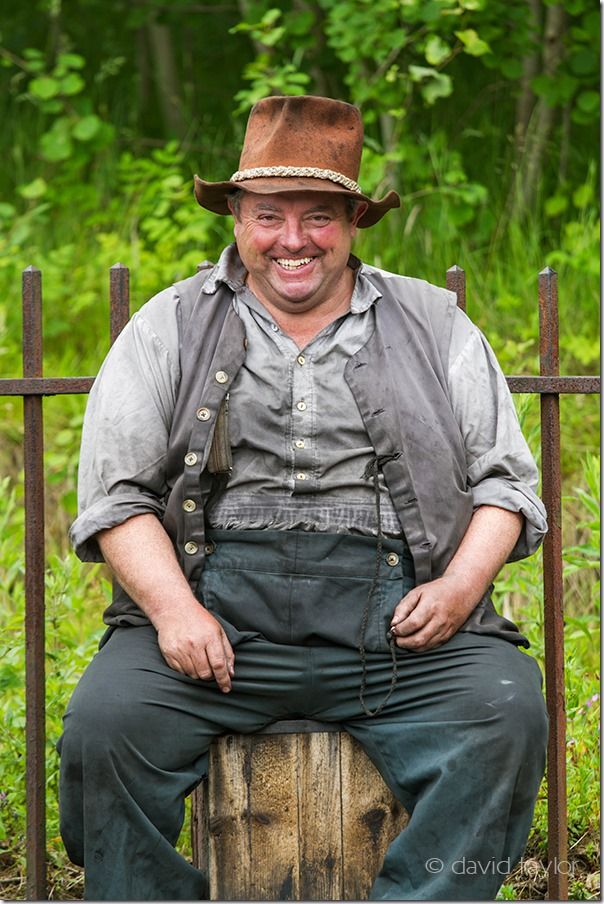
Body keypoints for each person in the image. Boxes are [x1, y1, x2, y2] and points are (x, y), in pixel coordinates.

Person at [58, 95, 548, 901]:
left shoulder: (435, 322)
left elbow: (506, 484)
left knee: (506, 716)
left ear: (354, 221)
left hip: (399, 632)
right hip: (215, 623)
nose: (293, 240)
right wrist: (176, 614)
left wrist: (459, 591)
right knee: (105, 732)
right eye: (269, 215)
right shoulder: (168, 323)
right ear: (238, 218)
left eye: (317, 216)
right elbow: (117, 497)